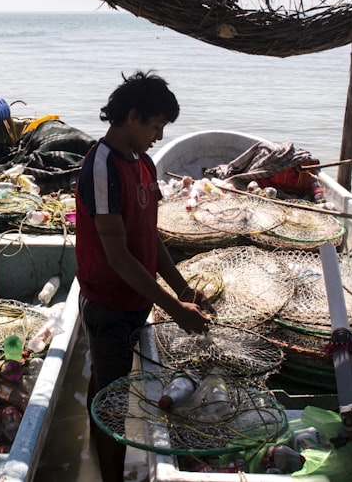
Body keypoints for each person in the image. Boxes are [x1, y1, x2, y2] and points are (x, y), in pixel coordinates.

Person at [75, 71, 213, 482]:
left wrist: (183, 288)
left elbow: (147, 236)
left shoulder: (145, 163)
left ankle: (91, 445)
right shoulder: (101, 165)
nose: (158, 135)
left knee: (104, 384)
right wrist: (176, 309)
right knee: (114, 404)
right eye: (155, 126)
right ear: (132, 116)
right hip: (107, 304)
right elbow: (117, 255)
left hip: (137, 302)